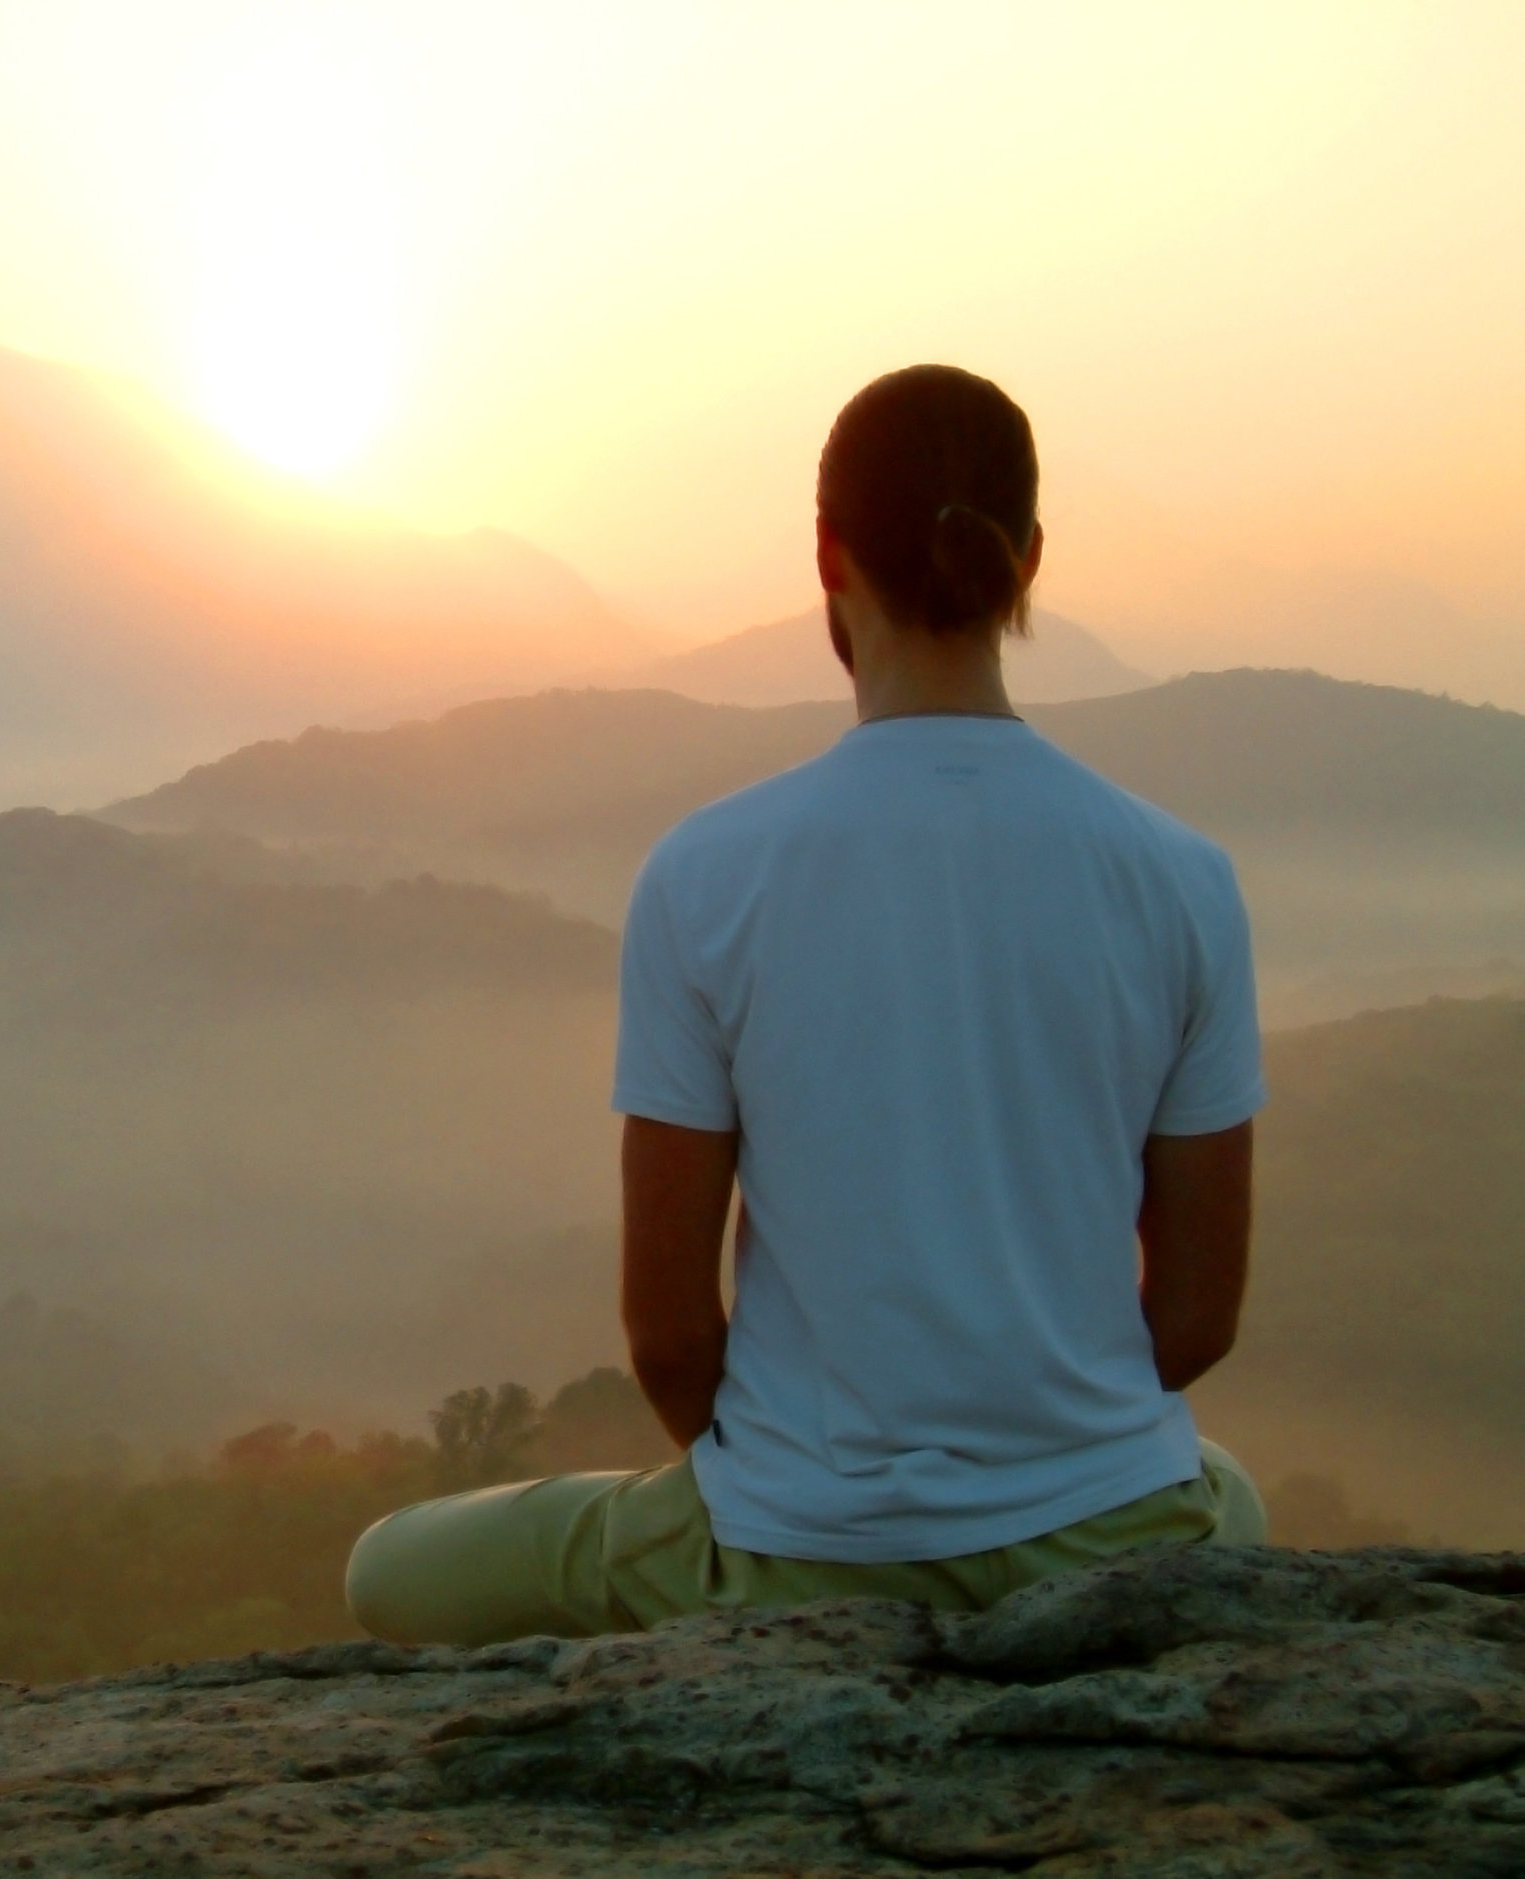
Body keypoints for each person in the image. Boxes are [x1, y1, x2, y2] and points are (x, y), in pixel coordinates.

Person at [347, 364, 1267, 1647]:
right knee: (1233, 1496)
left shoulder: (709, 871)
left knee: (388, 1568)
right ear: (1032, 561)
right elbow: (1193, 1318)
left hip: (790, 1555)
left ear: (827, 555)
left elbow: (670, 1332)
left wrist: (797, 1488)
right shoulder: (1181, 877)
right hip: (1109, 1531)